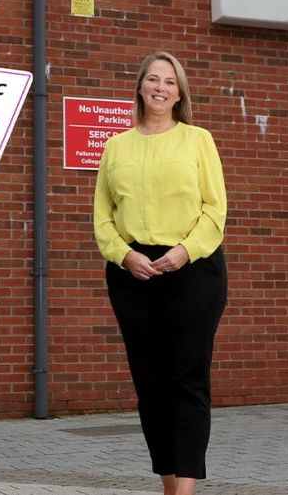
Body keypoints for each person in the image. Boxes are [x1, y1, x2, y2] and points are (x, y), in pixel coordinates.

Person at [93, 51, 227, 495]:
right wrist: (124, 255)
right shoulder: (116, 147)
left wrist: (184, 252)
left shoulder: (198, 140)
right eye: (153, 79)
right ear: (140, 87)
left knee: (186, 379)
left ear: (179, 92)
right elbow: (103, 218)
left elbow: (214, 210)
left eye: (170, 82)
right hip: (134, 274)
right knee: (150, 383)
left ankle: (185, 490)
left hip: (193, 268)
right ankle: (169, 484)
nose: (161, 88)